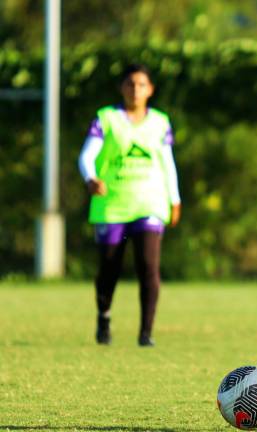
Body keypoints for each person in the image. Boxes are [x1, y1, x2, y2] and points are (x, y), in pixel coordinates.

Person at [78, 63, 181, 347]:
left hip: (150, 204)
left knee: (148, 267)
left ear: (150, 90)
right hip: (112, 205)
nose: (135, 90)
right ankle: (104, 317)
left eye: (141, 85)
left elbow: (167, 163)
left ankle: (146, 333)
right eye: (130, 84)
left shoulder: (160, 122)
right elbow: (87, 155)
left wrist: (175, 198)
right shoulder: (107, 118)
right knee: (109, 268)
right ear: (122, 88)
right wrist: (90, 178)